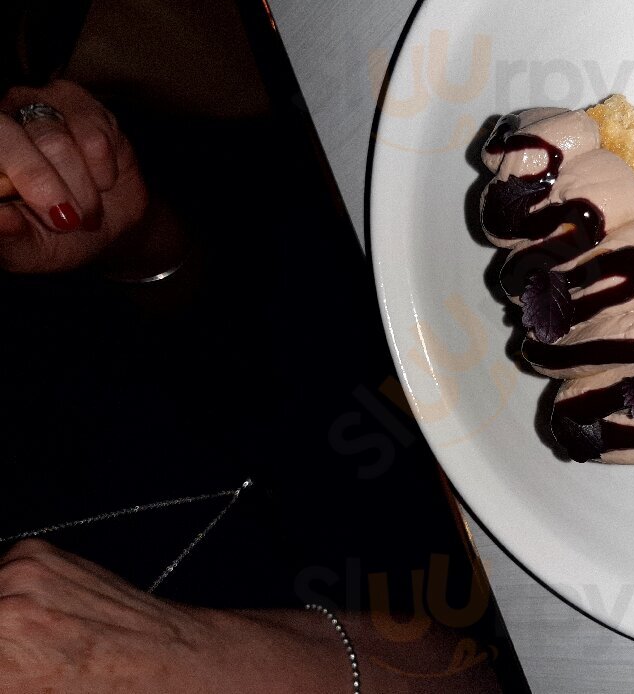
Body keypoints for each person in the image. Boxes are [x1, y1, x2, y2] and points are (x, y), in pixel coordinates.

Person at [0, 1, 524, 692]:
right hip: (523, 580)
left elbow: (215, 313)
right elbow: (483, 676)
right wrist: (174, 657)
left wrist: (128, 235)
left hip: (405, 273)